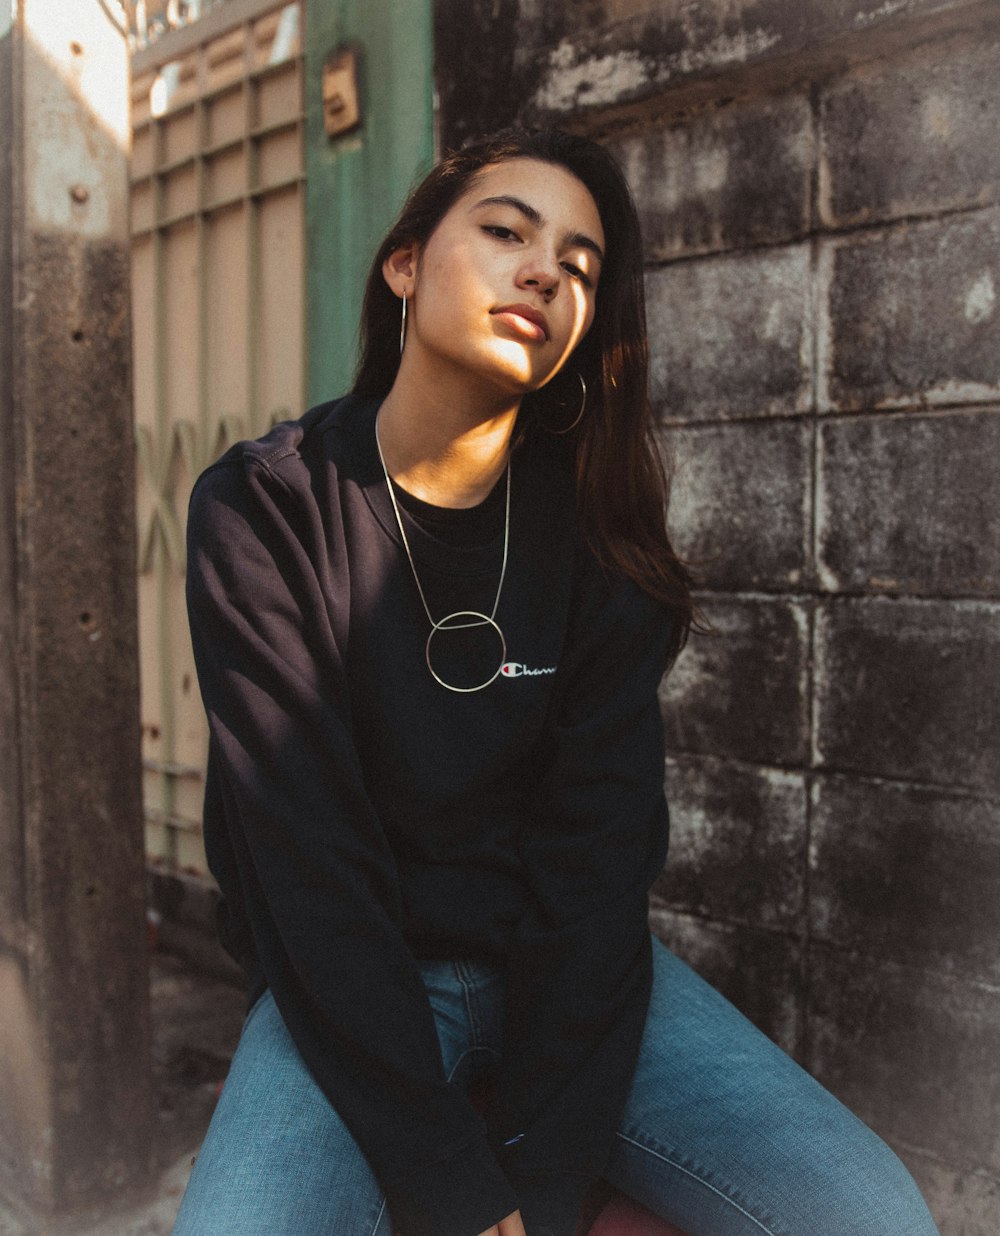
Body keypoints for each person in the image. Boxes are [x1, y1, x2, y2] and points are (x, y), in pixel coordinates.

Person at [173, 128, 939, 1236]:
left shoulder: (594, 529)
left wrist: (538, 1175)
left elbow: (597, 850)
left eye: (579, 266)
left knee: (871, 1213)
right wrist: (448, 1181)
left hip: (566, 964)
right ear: (404, 264)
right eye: (504, 232)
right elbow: (306, 868)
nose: (544, 271)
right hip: (356, 974)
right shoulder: (262, 509)